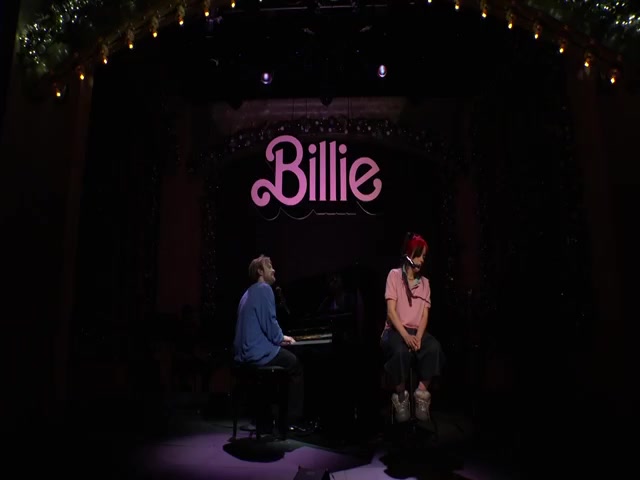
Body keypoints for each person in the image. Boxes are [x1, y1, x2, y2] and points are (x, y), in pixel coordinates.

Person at [233, 254, 306, 433]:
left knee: (278, 367)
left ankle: (265, 420)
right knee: (295, 364)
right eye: (270, 266)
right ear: (260, 271)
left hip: (243, 355)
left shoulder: (246, 294)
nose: (274, 270)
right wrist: (282, 337)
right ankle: (290, 420)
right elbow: (271, 324)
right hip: (257, 353)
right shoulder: (264, 289)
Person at [381, 233, 445, 423]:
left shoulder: (425, 283)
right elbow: (391, 312)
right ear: (410, 254)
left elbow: (424, 315)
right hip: (396, 330)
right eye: (420, 255)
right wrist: (406, 337)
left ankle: (422, 393)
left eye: (424, 256)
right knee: (400, 352)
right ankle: (401, 396)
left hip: (416, 332)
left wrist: (417, 336)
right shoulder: (394, 276)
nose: (422, 260)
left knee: (434, 348)